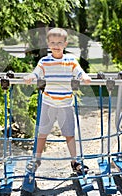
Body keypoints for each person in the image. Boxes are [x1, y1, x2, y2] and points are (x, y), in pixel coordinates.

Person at [23, 28, 92, 175]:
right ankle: (36, 159)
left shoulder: (70, 60)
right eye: (53, 42)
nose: (56, 45)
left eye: (59, 43)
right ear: (48, 44)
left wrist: (84, 77)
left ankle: (75, 161)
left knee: (69, 134)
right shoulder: (45, 61)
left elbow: (79, 71)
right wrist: (31, 76)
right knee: (42, 134)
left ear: (65, 44)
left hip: (66, 104)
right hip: (49, 103)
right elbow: (37, 72)